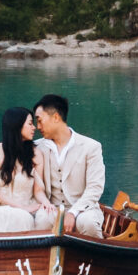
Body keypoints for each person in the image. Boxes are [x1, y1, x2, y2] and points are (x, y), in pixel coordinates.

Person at [0, 106, 60, 233]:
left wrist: (46, 203)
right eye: (30, 124)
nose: (34, 128)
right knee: (15, 217)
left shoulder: (36, 154)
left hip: (28, 206)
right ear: (17, 125)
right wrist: (22, 208)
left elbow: (38, 190)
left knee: (45, 215)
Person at [32, 93, 106, 236]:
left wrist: (73, 212)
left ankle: (93, 258)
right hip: (51, 208)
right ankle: (43, 258)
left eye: (40, 120)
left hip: (84, 208)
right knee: (42, 219)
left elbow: (95, 187)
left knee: (88, 223)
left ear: (55, 117)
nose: (37, 126)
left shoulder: (91, 147)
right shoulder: (37, 148)